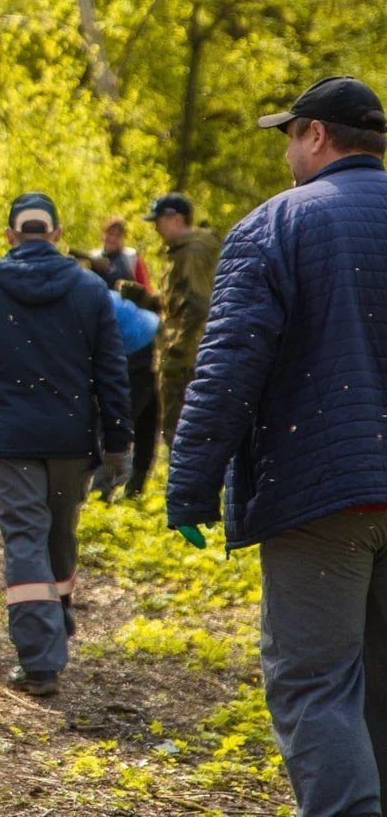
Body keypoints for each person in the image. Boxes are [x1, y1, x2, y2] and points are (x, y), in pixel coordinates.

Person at [167, 75, 387, 816]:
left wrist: (190, 484)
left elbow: (229, 365)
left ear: (316, 135)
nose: (287, 150)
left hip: (321, 492)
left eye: (290, 134)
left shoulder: (277, 225)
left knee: (316, 681)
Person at [0, 192, 131, 697]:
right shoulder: (90, 289)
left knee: (26, 540)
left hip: (10, 440)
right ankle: (55, 623)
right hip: (72, 438)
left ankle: (41, 661)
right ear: (55, 234)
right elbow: (112, 372)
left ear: (10, 235)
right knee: (58, 533)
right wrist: (119, 442)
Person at [142, 191, 221, 446]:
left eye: (158, 220)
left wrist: (177, 347)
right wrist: (144, 299)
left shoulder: (193, 252)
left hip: (187, 359)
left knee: (181, 435)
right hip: (185, 355)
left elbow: (199, 303)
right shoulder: (181, 252)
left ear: (176, 219)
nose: (156, 227)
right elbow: (177, 304)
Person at [105, 289, 160, 499]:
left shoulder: (85, 298)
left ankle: (106, 491)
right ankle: (134, 488)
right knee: (145, 419)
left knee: (123, 419)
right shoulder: (93, 289)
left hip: (140, 346)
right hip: (153, 333)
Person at [88, 215, 152, 290]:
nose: (113, 238)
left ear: (123, 238)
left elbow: (146, 289)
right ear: (103, 235)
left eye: (118, 235)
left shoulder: (132, 258)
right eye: (110, 233)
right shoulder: (92, 257)